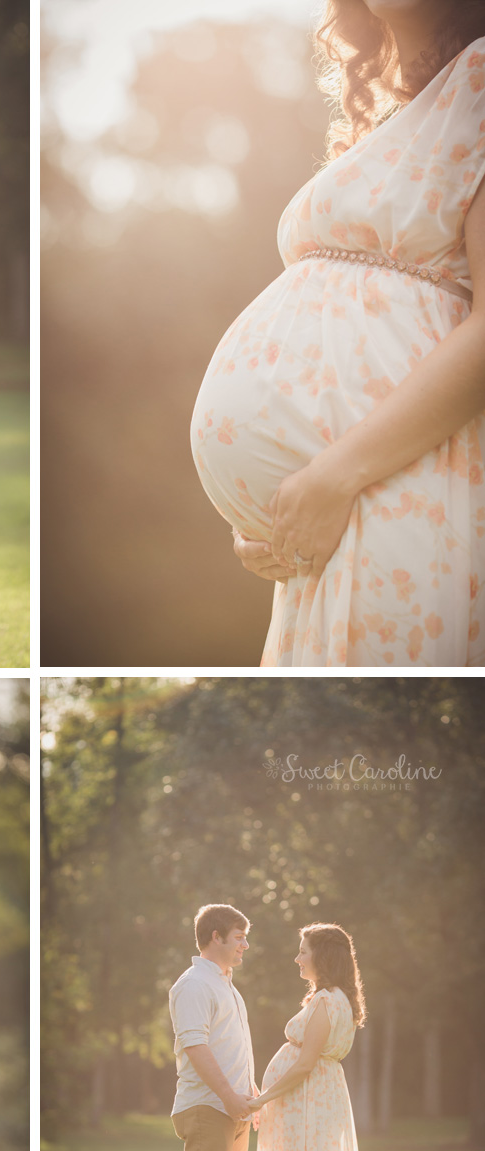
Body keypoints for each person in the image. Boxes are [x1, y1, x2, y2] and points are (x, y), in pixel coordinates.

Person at [191, 3, 485, 666]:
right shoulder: (391, 115)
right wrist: (266, 512)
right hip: (332, 510)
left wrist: (335, 472)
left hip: (397, 482)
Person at [246, 923, 365, 1151]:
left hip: (311, 1102)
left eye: (303, 951)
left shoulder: (328, 1000)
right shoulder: (335, 998)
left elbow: (304, 1064)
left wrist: (263, 1099)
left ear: (322, 956)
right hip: (315, 1099)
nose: (297, 958)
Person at [168, 903, 256, 1151]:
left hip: (234, 1108)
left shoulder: (227, 986)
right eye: (239, 937)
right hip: (208, 1107)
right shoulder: (193, 985)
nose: (245, 945)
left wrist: (251, 1094)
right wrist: (228, 1096)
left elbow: (232, 1050)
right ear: (215, 936)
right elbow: (196, 1046)